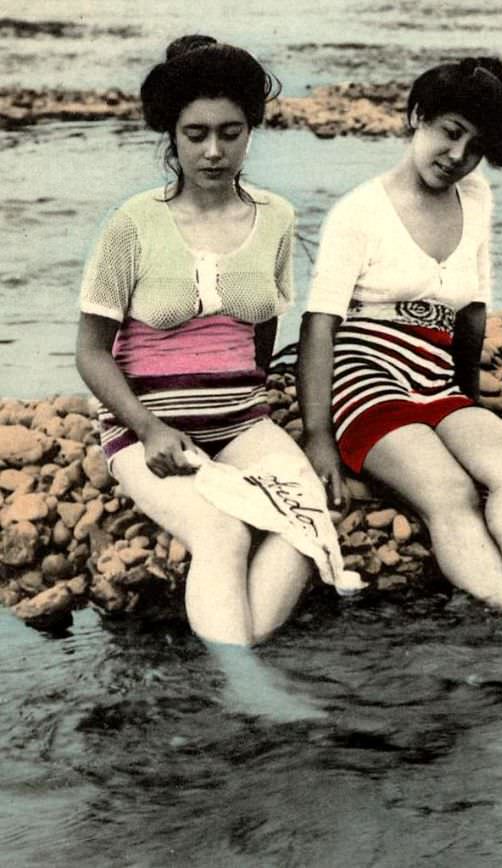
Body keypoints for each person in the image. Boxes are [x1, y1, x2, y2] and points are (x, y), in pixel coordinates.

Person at [76, 35, 330, 717]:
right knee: (223, 535)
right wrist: (147, 425)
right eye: (196, 135)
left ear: (252, 130)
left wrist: (273, 416)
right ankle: (249, 685)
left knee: (305, 522)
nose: (213, 151)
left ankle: (234, 661)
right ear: (172, 136)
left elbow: (265, 326)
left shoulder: (275, 217)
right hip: (148, 432)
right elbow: (92, 352)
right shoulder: (132, 223)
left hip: (242, 420)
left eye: (230, 132)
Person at [297, 57, 502, 651]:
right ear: (416, 118)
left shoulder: (476, 198)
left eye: (475, 146)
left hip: (436, 377)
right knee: (448, 490)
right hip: (365, 373)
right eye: (450, 131)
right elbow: (319, 324)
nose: (457, 154)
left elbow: (474, 311)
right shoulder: (360, 210)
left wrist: (467, 410)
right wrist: (318, 434)